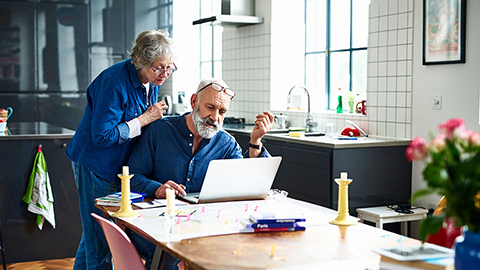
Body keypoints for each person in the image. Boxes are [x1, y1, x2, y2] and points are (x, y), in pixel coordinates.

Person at [127, 78, 274, 269]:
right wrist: (157, 189)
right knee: (171, 255)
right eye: (210, 107)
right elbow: (131, 176)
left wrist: (255, 142)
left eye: (222, 112)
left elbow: (246, 184)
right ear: (194, 101)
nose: (215, 117)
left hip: (203, 227)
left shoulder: (226, 143)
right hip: (156, 226)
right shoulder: (159, 130)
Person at [66, 29, 176, 270]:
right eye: (159, 68)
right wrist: (145, 119)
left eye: (170, 67)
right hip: (96, 165)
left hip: (116, 167)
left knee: (93, 234)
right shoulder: (114, 81)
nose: (165, 74)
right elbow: (102, 136)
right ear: (140, 60)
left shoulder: (151, 80)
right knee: (101, 241)